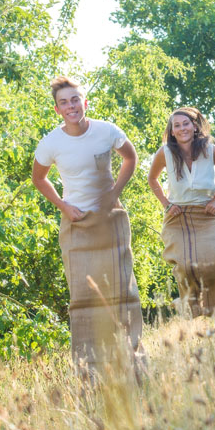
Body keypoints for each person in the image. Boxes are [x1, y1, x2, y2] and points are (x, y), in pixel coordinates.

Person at [31, 77, 142, 373]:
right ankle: (90, 367)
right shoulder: (51, 142)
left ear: (85, 103)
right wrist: (63, 206)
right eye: (64, 102)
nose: (71, 106)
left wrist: (114, 193)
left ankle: (131, 360)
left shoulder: (107, 131)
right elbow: (39, 178)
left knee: (123, 291)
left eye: (75, 100)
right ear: (57, 109)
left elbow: (130, 158)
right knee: (83, 296)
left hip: (110, 219)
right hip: (77, 224)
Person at [148, 107, 215, 322]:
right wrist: (166, 204)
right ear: (171, 131)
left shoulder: (211, 150)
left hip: (205, 213)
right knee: (185, 265)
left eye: (186, 124)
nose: (182, 129)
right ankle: (192, 310)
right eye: (176, 126)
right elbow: (152, 179)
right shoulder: (165, 153)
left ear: (195, 125)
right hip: (177, 215)